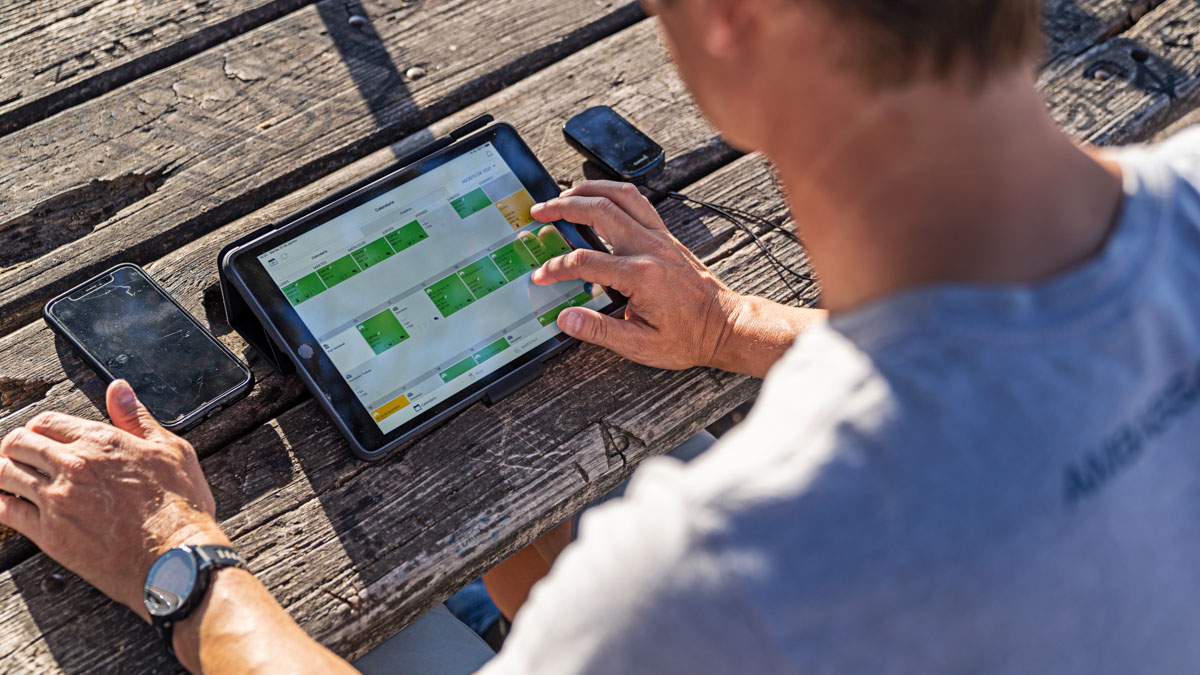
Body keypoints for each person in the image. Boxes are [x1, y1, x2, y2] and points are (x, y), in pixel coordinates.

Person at [4, 0, 1200, 670]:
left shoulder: (717, 582)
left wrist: (183, 564)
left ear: (733, 24)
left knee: (413, 636)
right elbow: (1022, 371)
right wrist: (732, 324)